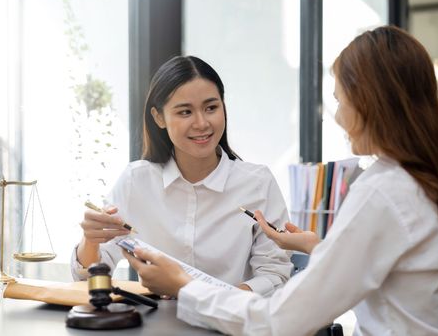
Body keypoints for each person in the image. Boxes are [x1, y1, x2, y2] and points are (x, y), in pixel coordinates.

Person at [123, 26, 438, 335]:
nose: (339, 118)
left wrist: (184, 284)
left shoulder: (382, 191)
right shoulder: (422, 178)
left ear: (370, 103)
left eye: (339, 101)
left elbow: (279, 323)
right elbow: (402, 270)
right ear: (159, 117)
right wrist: (320, 249)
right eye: (184, 112)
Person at [71, 55, 292, 296]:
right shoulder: (136, 181)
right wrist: (91, 240)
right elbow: (87, 276)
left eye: (211, 108)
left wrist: (217, 302)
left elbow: (275, 276)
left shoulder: (257, 183)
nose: (201, 123)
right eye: (185, 112)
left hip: (231, 326)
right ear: (159, 118)